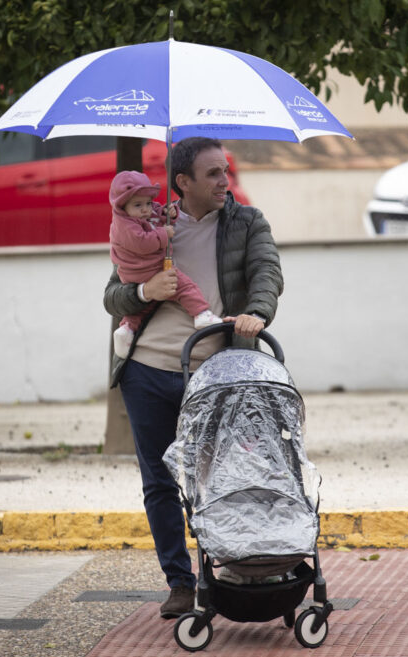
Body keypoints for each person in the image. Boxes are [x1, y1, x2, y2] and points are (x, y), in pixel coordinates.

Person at [103, 136, 284, 618]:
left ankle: (227, 570)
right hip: (147, 371)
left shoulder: (247, 222)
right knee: (160, 481)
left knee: (223, 476)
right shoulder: (147, 222)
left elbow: (268, 272)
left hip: (215, 373)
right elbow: (112, 296)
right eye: (212, 174)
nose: (224, 181)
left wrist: (257, 313)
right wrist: (143, 290)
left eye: (224, 171)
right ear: (182, 181)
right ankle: (180, 584)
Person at [108, 170, 221, 359]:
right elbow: (142, 243)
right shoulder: (123, 225)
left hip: (138, 273)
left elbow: (154, 217)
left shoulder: (137, 215)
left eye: (148, 203)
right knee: (183, 286)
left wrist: (167, 213)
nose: (145, 209)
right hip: (145, 269)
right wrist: (163, 234)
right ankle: (201, 313)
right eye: (138, 205)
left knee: (145, 307)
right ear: (122, 205)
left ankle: (127, 328)